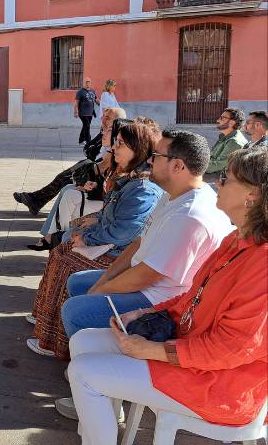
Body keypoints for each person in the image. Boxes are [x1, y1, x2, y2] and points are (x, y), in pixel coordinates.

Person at [68, 147, 268, 445]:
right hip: (188, 349)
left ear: (252, 195)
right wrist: (143, 314)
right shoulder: (237, 239)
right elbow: (192, 297)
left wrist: (153, 350)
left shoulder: (261, 262)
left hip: (221, 384)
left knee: (84, 372)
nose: (217, 183)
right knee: (82, 341)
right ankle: (99, 430)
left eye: (225, 178)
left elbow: (231, 348)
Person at [54, 129, 233, 419]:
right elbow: (139, 243)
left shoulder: (190, 215)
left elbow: (147, 275)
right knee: (79, 282)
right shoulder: (173, 196)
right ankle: (90, 365)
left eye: (157, 155)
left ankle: (107, 396)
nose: (150, 160)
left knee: (77, 311)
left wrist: (102, 290)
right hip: (148, 285)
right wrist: (104, 279)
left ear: (178, 165)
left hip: (163, 304)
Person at [27, 122, 164, 359]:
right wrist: (92, 221)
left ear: (138, 148)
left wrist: (87, 239)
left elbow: (125, 232)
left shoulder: (143, 188)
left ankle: (54, 341)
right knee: (64, 244)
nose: (114, 147)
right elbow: (111, 212)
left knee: (66, 259)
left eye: (121, 143)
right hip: (113, 242)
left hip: (118, 251)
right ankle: (44, 320)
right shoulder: (128, 176)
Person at [15, 107, 127, 216]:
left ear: (117, 122)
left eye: (107, 118)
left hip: (99, 177)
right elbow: (90, 148)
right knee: (62, 178)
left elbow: (105, 165)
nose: (103, 119)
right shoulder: (106, 131)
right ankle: (35, 200)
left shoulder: (117, 138)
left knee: (65, 181)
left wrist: (85, 172)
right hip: (92, 165)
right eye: (104, 116)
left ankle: (36, 201)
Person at [203, 107, 248, 180]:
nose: (218, 120)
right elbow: (212, 157)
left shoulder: (234, 141)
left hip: (222, 178)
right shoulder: (225, 137)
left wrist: (196, 166)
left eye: (222, 118)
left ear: (231, 123)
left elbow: (219, 165)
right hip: (213, 172)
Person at [74, 77, 98, 145]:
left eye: (89, 82)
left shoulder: (92, 91)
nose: (88, 83)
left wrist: (103, 105)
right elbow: (76, 103)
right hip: (83, 113)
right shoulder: (80, 92)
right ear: (83, 83)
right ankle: (89, 141)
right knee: (87, 126)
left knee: (85, 126)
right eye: (86, 82)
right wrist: (75, 112)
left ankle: (81, 140)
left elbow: (96, 100)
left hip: (90, 113)